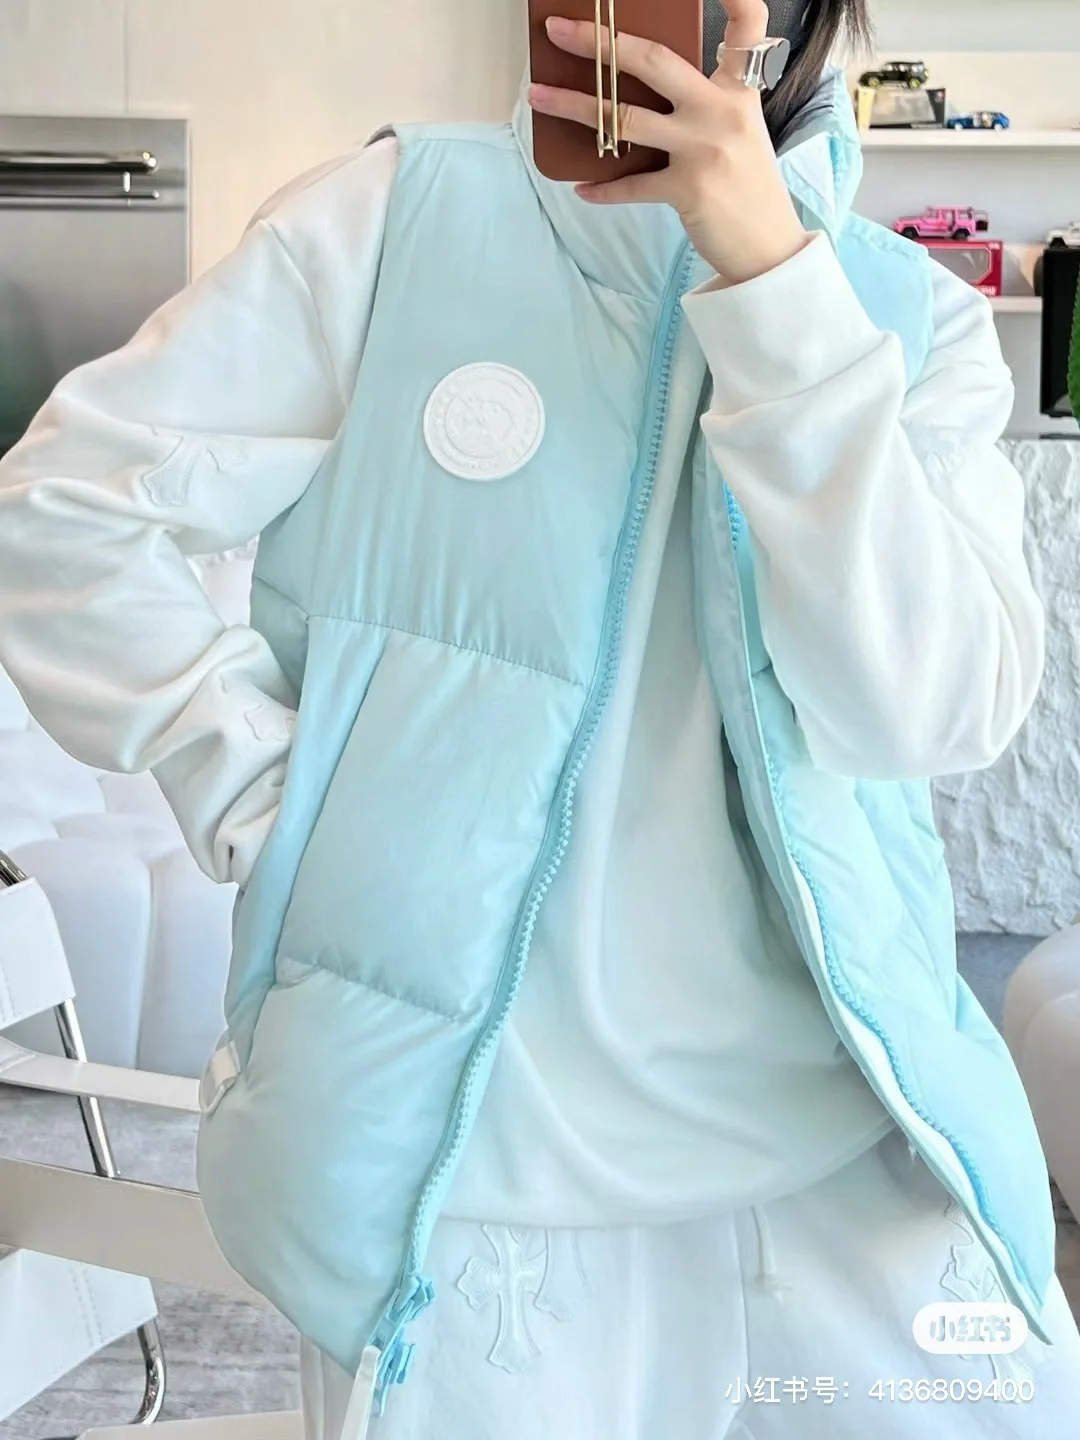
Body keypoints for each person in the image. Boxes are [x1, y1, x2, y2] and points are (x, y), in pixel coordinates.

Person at [1, 1, 1078, 1436]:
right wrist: (284, 805)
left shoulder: (905, 316)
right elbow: (61, 516)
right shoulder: (390, 221)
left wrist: (778, 292)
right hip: (474, 1197)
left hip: (855, 1174)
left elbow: (933, 710)